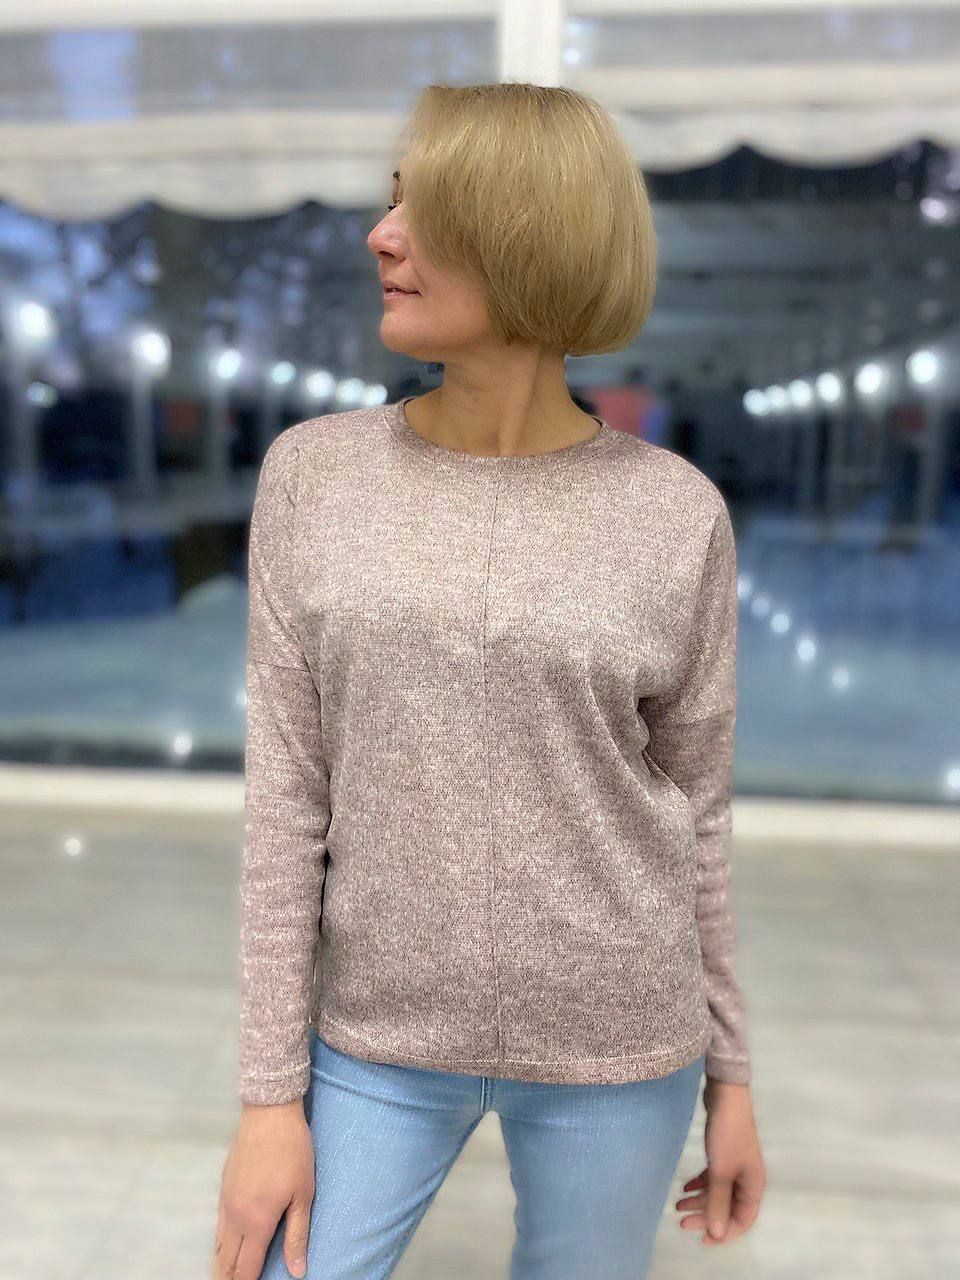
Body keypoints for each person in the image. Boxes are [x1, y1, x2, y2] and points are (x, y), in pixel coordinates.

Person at [212, 82, 765, 1280]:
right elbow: (286, 804)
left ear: (531, 232)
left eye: (428, 207)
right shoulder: (314, 478)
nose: (382, 234)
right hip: (374, 1037)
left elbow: (697, 815)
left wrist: (731, 1076)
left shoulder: (674, 513)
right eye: (390, 199)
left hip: (622, 1045)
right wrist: (267, 1098)